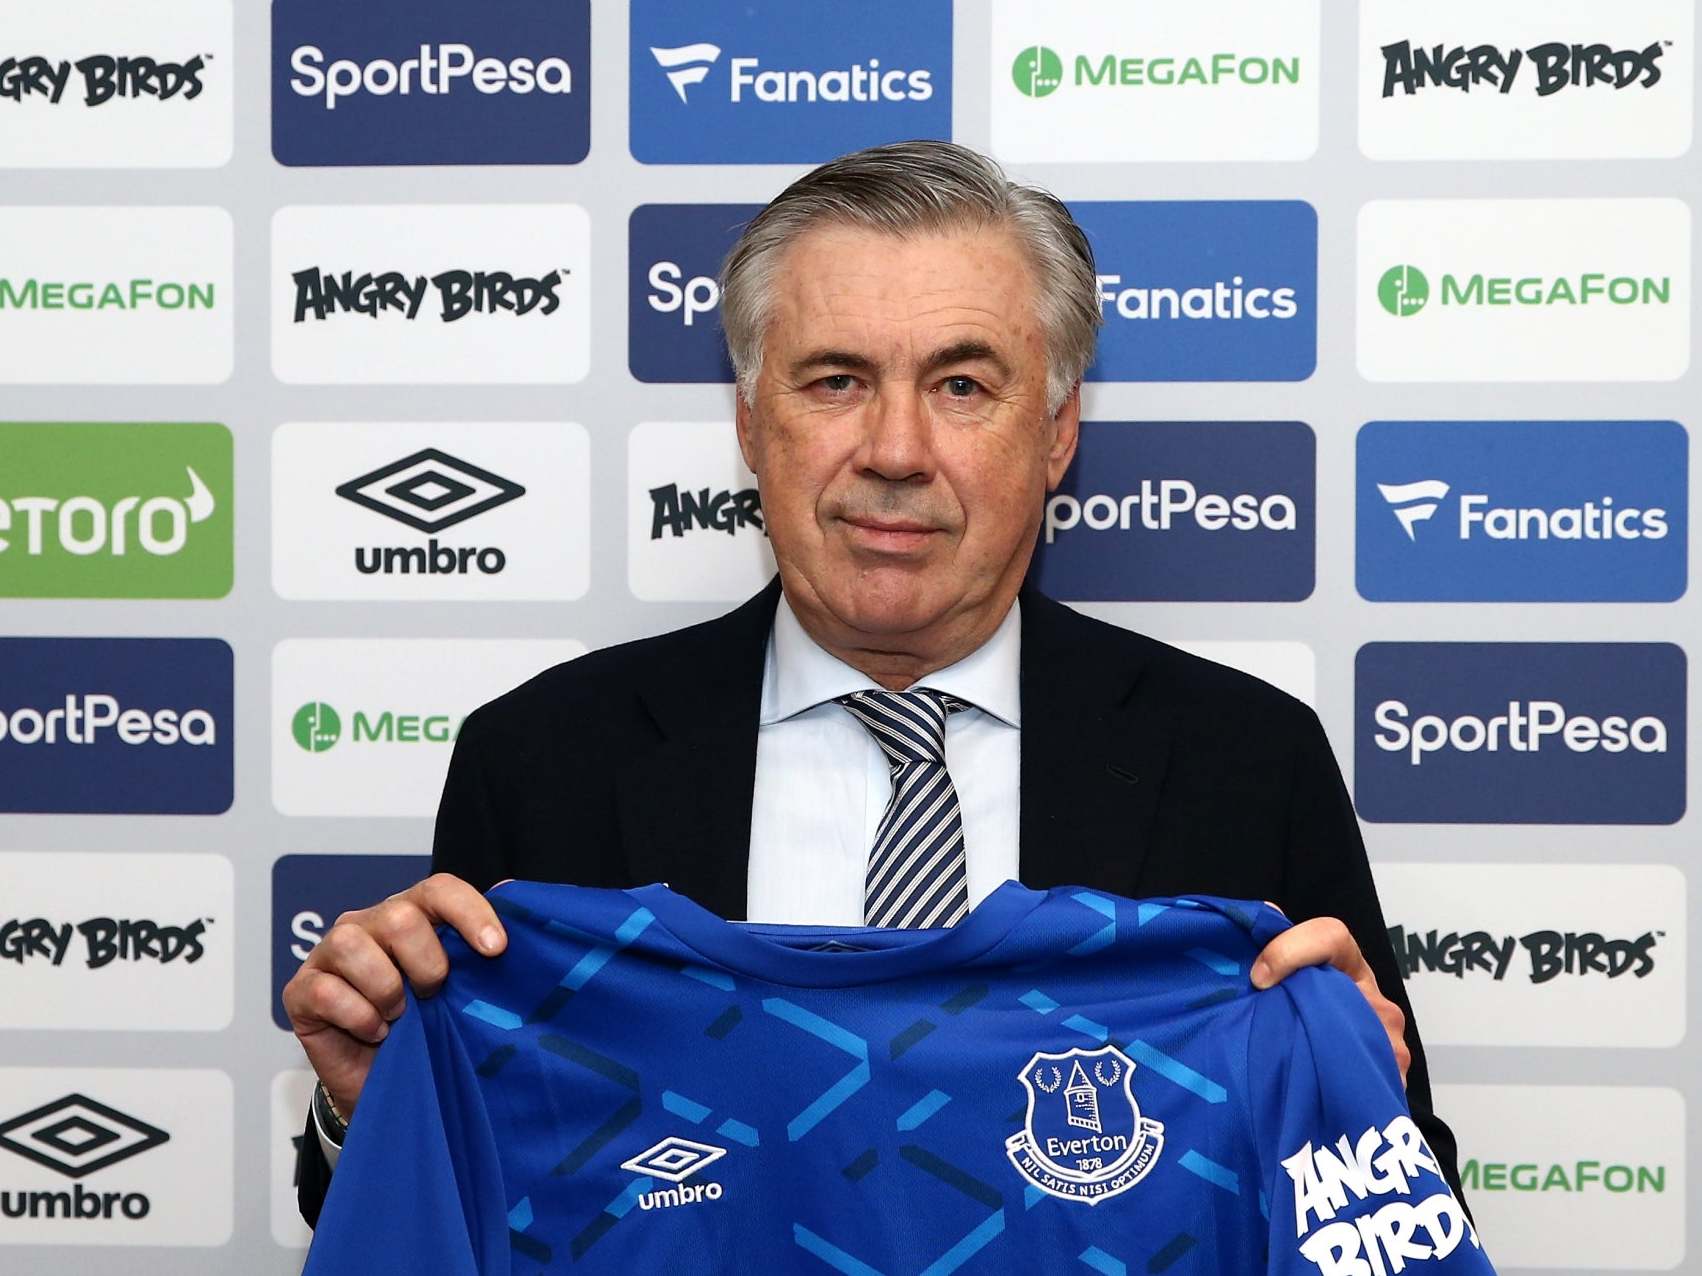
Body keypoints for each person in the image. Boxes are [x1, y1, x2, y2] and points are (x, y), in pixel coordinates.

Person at [286, 140, 1462, 1225]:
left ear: (1056, 433)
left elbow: (1396, 1214)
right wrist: (370, 1105)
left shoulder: (1244, 762)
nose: (895, 451)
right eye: (835, 380)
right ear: (751, 422)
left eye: (961, 385)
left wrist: (1361, 1098)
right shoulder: (544, 759)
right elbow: (463, 1198)